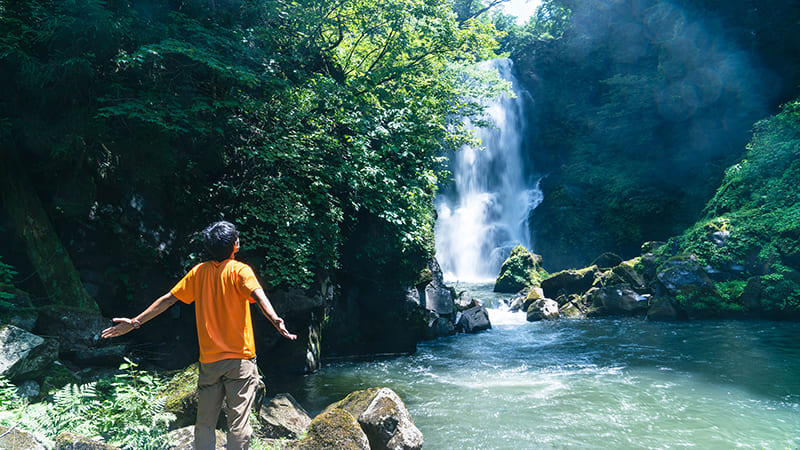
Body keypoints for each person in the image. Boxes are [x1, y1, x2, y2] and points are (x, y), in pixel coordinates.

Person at [101, 221, 297, 449]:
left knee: (204, 424)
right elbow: (259, 295)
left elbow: (167, 300)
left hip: (210, 362)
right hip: (240, 361)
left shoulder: (198, 273)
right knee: (239, 424)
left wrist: (135, 322)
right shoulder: (241, 270)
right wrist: (275, 320)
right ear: (235, 245)